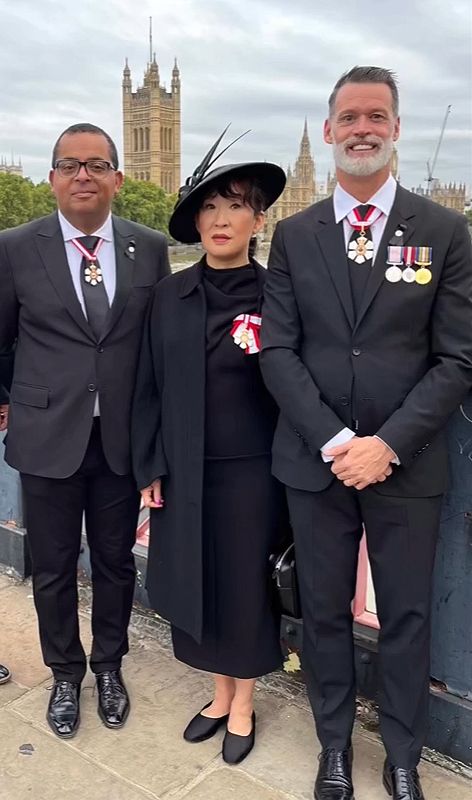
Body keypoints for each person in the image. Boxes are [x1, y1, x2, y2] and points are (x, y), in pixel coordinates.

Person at [260, 66, 472, 800]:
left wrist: (386, 444)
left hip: (406, 465)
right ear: (328, 131)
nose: (361, 129)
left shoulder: (444, 230)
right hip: (316, 464)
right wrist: (335, 441)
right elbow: (278, 351)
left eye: (375, 116)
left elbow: (458, 358)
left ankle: (404, 754)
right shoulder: (292, 234)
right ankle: (334, 748)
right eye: (348, 117)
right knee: (321, 610)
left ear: (396, 128)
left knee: (409, 615)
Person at [0, 123, 170, 739]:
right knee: (49, 565)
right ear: (51, 178)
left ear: (117, 180)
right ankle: (65, 673)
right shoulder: (16, 247)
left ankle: (108, 666)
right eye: (70, 165)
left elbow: (155, 348)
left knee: (116, 562)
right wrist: (13, 401)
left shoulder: (147, 247)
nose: (83, 176)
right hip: (47, 436)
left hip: (121, 439)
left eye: (96, 165)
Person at [132, 133, 287, 765]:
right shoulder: (169, 296)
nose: (221, 220)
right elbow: (146, 386)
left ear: (257, 218)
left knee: (245, 588)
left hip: (255, 471)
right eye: (209, 209)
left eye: (235, 207)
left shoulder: (279, 294)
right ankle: (218, 695)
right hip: (184, 469)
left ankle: (244, 702)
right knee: (197, 581)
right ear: (197, 223)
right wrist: (149, 464)